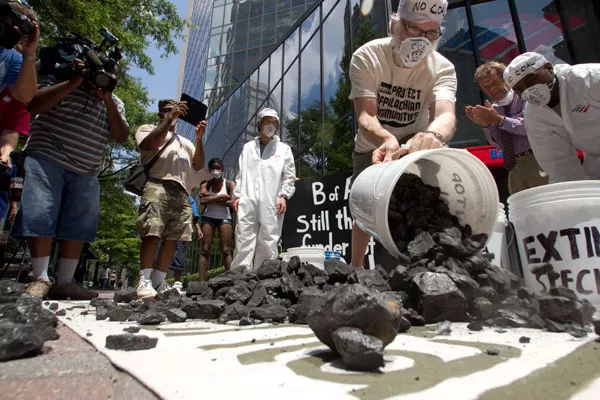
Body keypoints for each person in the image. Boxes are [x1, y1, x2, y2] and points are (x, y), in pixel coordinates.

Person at [348, 0, 456, 269]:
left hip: (415, 143)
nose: (421, 41)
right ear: (395, 25)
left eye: (431, 33)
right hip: (371, 145)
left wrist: (434, 136)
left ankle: (422, 268)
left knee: (420, 205)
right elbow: (365, 116)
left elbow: (445, 115)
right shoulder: (367, 56)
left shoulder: (443, 68)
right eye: (413, 30)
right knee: (365, 208)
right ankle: (356, 266)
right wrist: (386, 139)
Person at [14, 56, 129, 300]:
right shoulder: (61, 79)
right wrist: (74, 82)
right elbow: (33, 105)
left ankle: (66, 280)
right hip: (47, 157)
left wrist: (107, 99)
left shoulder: (115, 102)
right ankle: (40, 277)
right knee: (41, 212)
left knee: (81, 222)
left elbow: (121, 135)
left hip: (87, 170)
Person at [135, 100, 208, 299]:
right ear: (160, 114)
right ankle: (145, 279)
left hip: (182, 191)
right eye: (168, 110)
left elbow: (198, 164)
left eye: (176, 110)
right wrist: (169, 120)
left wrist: (199, 139)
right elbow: (149, 144)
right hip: (158, 184)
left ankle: (159, 281)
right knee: (152, 232)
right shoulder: (148, 129)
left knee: (174, 238)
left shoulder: (185, 142)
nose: (174, 113)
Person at [503, 52, 600, 183]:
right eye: (520, 89)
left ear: (548, 67)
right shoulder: (534, 116)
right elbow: (559, 165)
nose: (528, 90)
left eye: (531, 80)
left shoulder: (589, 79)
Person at [466, 61, 548, 194]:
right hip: (514, 165)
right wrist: (485, 124)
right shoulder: (494, 109)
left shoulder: (525, 97)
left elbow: (529, 126)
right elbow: (499, 144)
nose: (491, 90)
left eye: (494, 83)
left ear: (505, 79)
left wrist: (499, 120)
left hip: (537, 159)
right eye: (486, 87)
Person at [231, 108, 296, 270]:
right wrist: (237, 196)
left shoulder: (283, 149)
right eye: (267, 122)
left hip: (272, 199)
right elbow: (240, 174)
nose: (270, 126)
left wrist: (283, 196)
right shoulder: (248, 148)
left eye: (274, 123)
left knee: (269, 236)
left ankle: (265, 275)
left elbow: (289, 176)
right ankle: (240, 275)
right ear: (259, 125)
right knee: (243, 236)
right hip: (248, 197)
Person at [0, 0, 39, 167]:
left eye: (21, 29)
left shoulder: (14, 59)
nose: (14, 31)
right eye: (10, 21)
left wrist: (29, 53)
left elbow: (23, 96)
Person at [199, 157, 235, 280]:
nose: (215, 171)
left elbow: (232, 203)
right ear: (210, 170)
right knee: (205, 249)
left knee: (226, 250)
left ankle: (230, 280)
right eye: (213, 168)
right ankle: (202, 282)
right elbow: (202, 201)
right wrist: (221, 197)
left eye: (217, 168)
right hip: (208, 217)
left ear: (222, 169)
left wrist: (211, 199)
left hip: (225, 217)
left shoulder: (229, 184)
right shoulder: (205, 183)